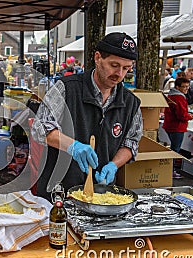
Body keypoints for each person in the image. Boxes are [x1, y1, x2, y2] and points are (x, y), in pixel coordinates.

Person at [31, 32, 143, 199]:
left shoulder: (131, 103)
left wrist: (114, 165)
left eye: (126, 68)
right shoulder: (66, 88)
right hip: (58, 188)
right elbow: (40, 128)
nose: (119, 74)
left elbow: (131, 143)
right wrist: (73, 147)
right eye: (114, 65)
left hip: (100, 193)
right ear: (98, 58)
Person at [162, 77, 193, 178]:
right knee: (175, 150)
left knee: (173, 148)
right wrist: (190, 116)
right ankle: (171, 171)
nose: (186, 89)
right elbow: (181, 115)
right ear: (177, 87)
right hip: (177, 127)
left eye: (187, 87)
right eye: (184, 87)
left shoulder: (171, 95)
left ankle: (169, 170)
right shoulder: (179, 97)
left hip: (169, 125)